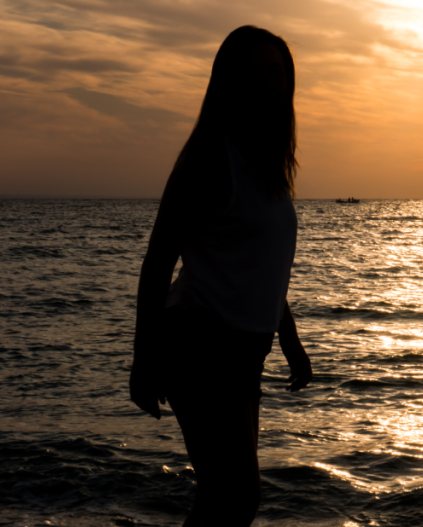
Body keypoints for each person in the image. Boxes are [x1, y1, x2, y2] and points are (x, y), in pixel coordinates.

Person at [129, 26, 312, 527]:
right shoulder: (212, 158)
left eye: (276, 73)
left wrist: (290, 341)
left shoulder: (270, 167)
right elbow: (158, 261)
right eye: (253, 74)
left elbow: (262, 269)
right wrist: (143, 360)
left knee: (219, 498)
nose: (268, 84)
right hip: (198, 347)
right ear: (228, 83)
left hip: (242, 358)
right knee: (238, 498)